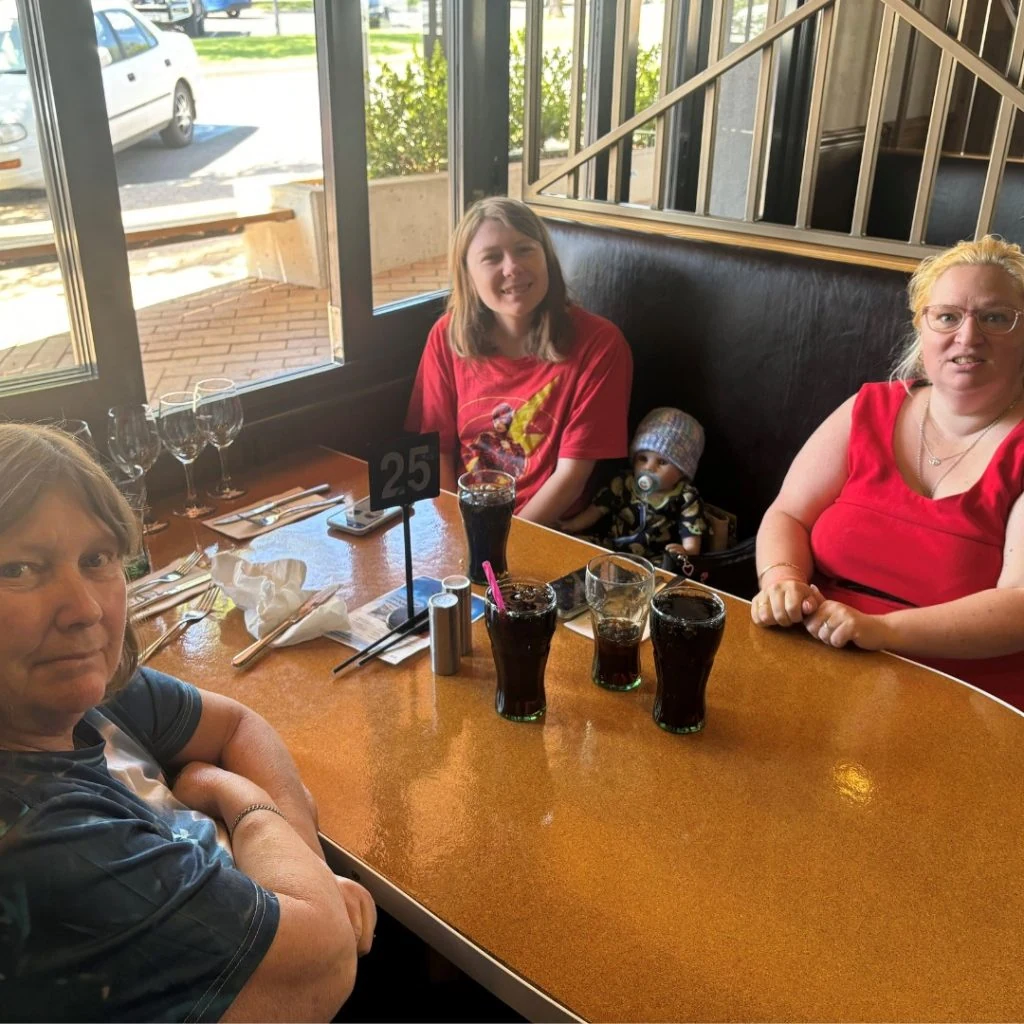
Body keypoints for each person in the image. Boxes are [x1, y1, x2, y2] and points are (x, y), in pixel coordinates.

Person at [0, 423, 376, 1022]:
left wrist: (313, 873)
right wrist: (237, 793)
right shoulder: (45, 840)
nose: (86, 610)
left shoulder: (76, 692)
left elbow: (237, 726)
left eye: (96, 559)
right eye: (20, 569)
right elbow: (326, 958)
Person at [752, 235, 1024, 710]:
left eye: (995, 317)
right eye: (947, 316)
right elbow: (788, 515)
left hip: (964, 701)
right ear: (923, 327)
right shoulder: (869, 406)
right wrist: (782, 581)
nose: (968, 336)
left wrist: (881, 630)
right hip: (817, 665)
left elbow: (1019, 603)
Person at [404, 196, 633, 525]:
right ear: (467, 275)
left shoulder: (600, 345)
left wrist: (502, 544)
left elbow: (571, 479)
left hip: (547, 531)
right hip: (462, 523)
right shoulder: (446, 336)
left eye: (525, 249)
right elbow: (435, 451)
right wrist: (453, 533)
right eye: (492, 257)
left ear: (547, 259)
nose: (512, 267)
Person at [559, 406, 708, 562]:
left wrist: (686, 552)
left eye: (662, 462)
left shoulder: (686, 498)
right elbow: (597, 509)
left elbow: (692, 539)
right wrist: (572, 525)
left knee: (670, 565)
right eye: (643, 458)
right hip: (610, 548)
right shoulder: (623, 483)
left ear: (683, 471)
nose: (649, 467)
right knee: (576, 546)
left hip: (654, 560)